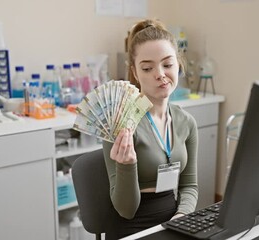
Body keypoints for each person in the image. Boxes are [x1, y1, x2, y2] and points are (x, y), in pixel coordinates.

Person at [102, 19, 198, 239]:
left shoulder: (187, 123)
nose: (160, 74)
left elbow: (190, 185)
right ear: (135, 73)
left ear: (178, 64)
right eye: (147, 67)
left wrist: (182, 216)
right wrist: (127, 166)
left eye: (167, 64)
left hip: (174, 225)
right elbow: (126, 210)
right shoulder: (120, 124)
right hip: (133, 229)